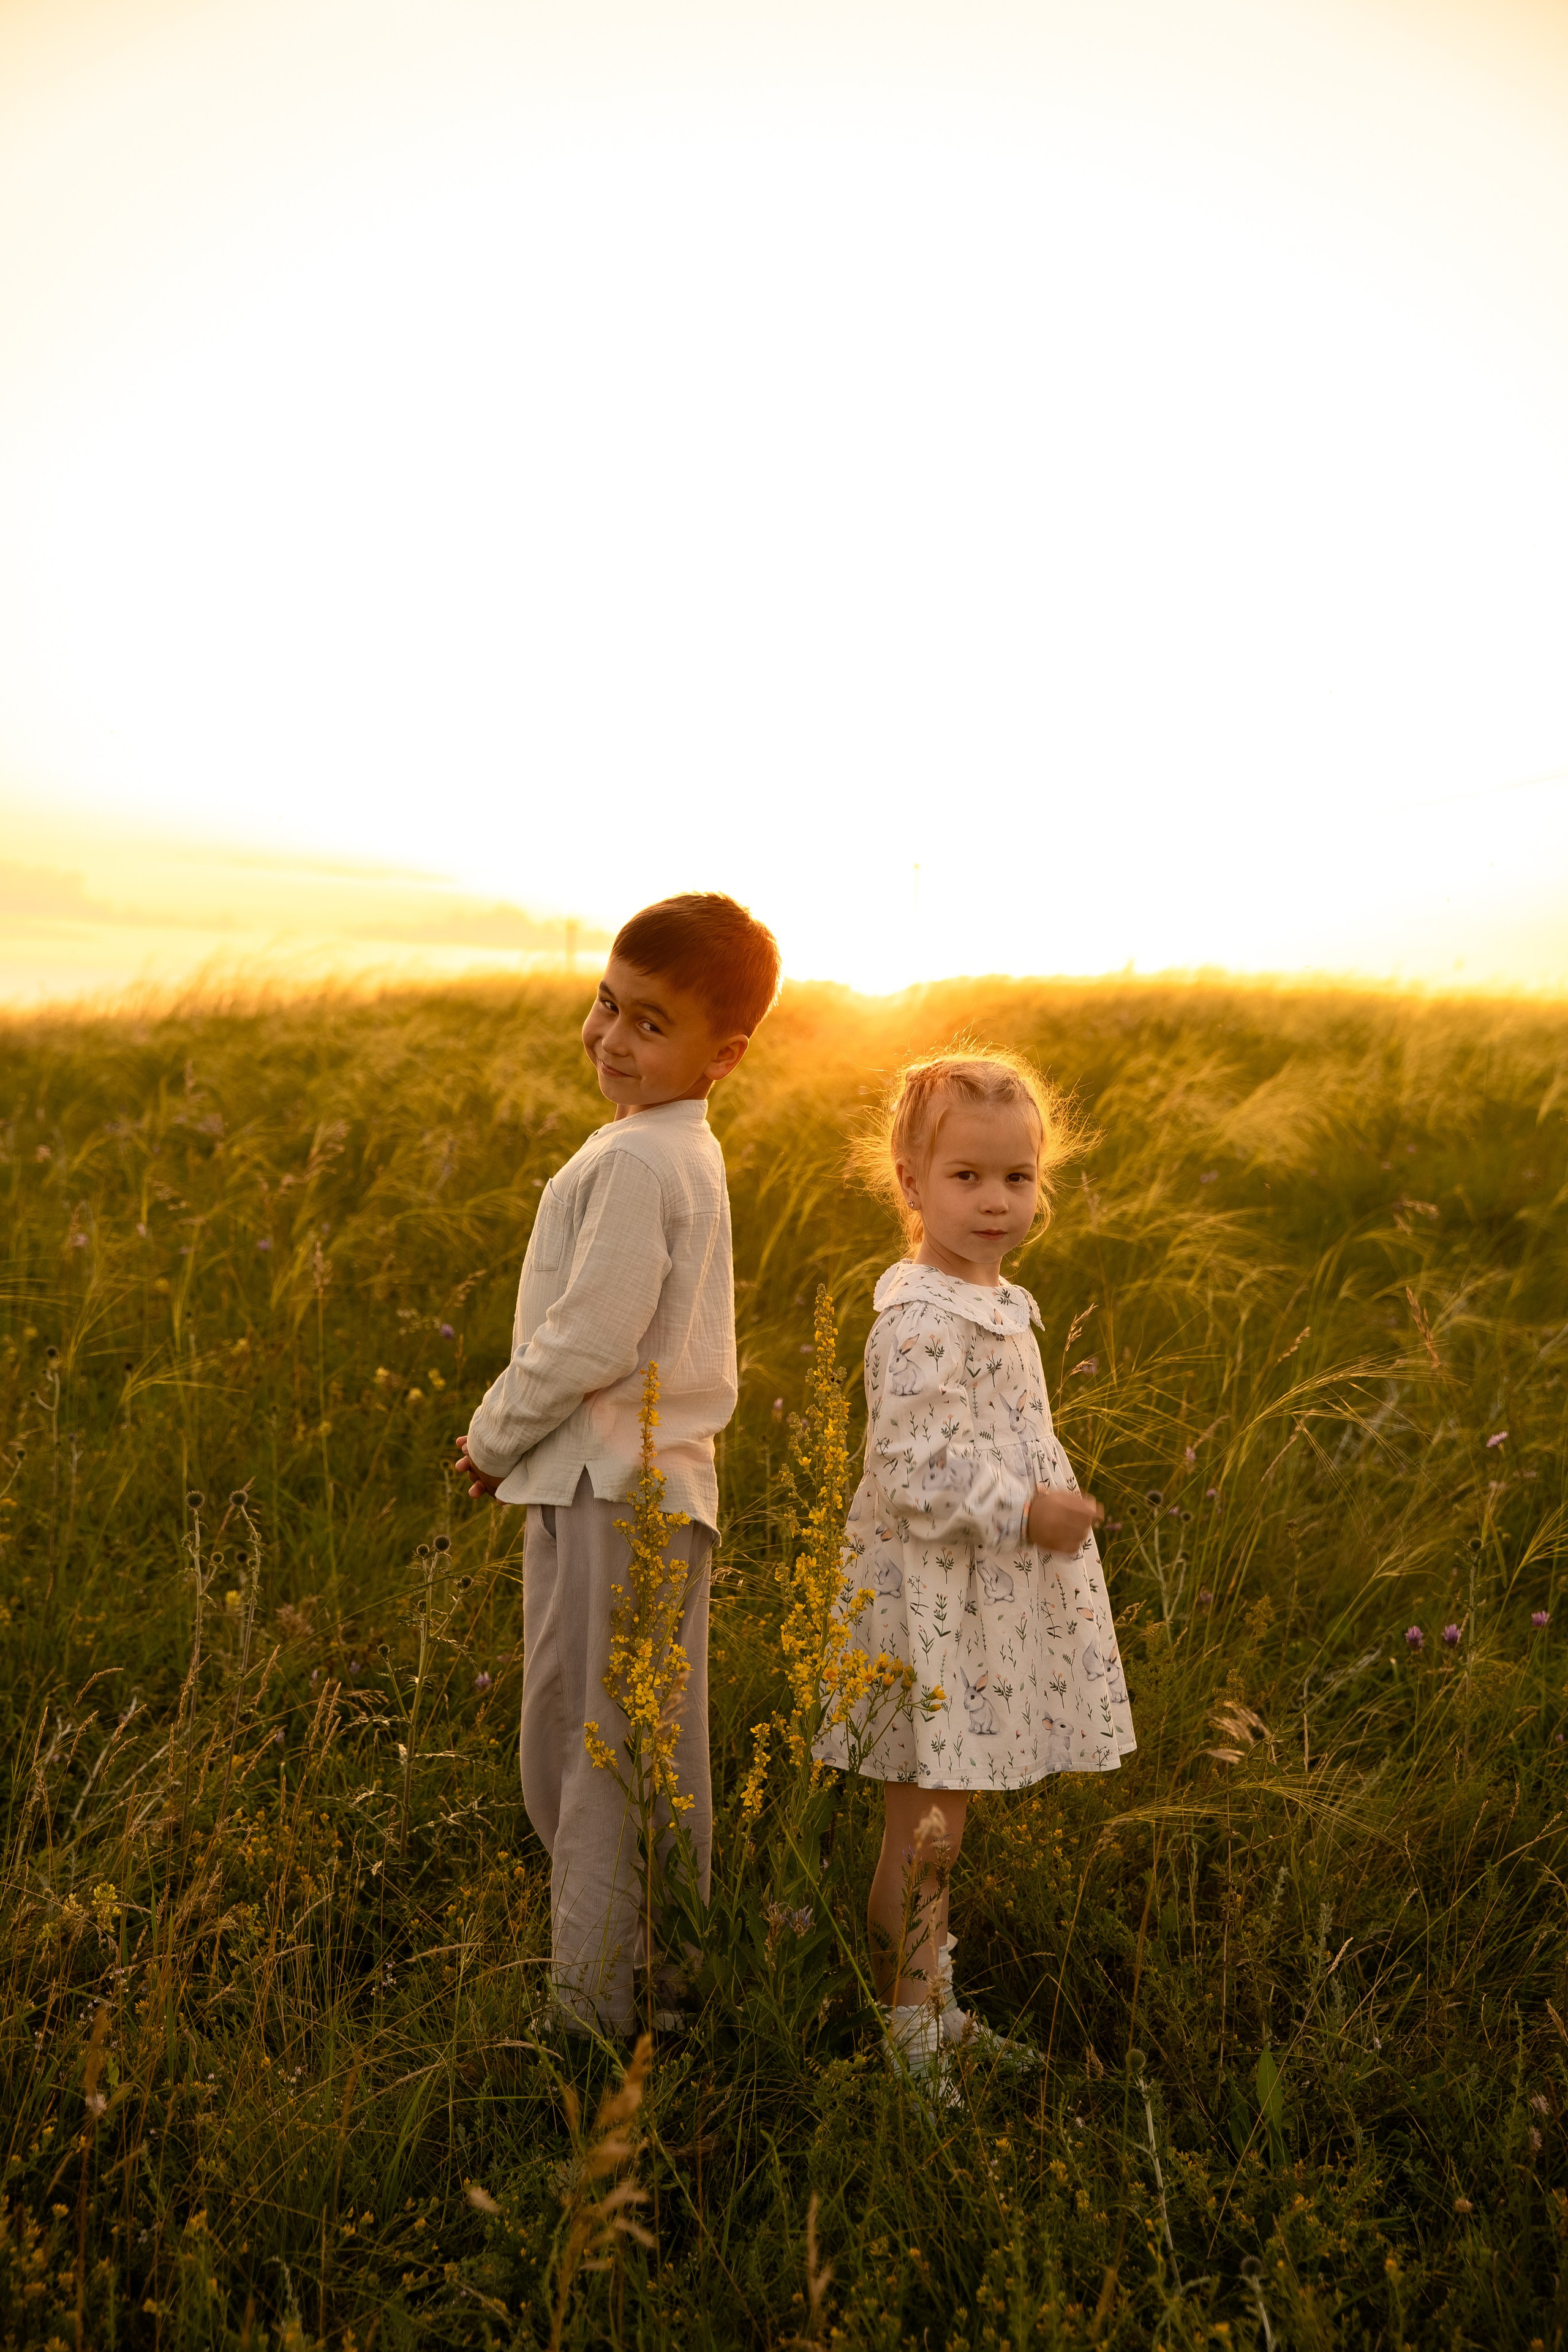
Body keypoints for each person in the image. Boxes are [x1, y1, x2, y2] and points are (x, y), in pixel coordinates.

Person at [455, 892, 780, 2035]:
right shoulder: (664, 1147)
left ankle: (592, 2015)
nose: (612, 1036)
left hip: (610, 1483)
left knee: (592, 1746)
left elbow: (593, 1333)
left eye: (651, 1023)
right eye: (607, 1003)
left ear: (722, 1055)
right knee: (631, 1738)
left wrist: (494, 1436)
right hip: (639, 1485)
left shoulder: (645, 1161)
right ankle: (664, 1979)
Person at [813, 1046, 1136, 2088]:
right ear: (910, 1184)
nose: (996, 1202)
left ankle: (935, 2002)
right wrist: (1025, 1508)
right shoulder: (917, 1315)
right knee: (926, 1826)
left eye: (1017, 1177)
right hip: (932, 1603)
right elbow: (909, 1467)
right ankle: (909, 2047)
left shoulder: (1000, 1298)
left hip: (980, 1601)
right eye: (967, 1177)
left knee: (951, 1813)